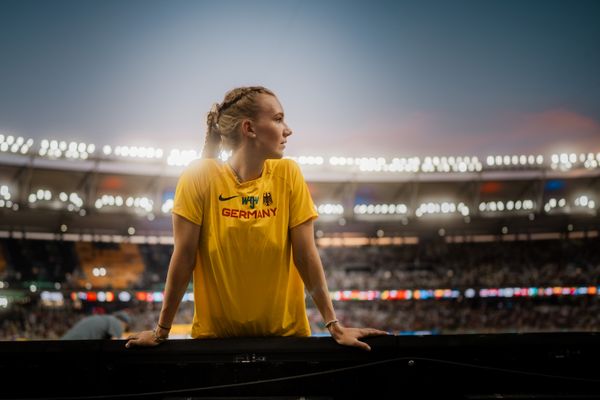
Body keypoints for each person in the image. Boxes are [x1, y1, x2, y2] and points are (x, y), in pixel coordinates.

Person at [125, 86, 387, 350]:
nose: (288, 129)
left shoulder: (288, 174)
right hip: (216, 345)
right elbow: (183, 257)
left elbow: (306, 255)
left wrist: (334, 325)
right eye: (277, 118)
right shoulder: (198, 177)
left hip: (287, 342)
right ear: (249, 129)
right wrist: (161, 331)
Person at [61, 310, 132, 340]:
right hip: (74, 347)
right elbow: (116, 342)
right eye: (124, 327)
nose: (123, 329)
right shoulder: (115, 321)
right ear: (123, 322)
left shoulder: (103, 318)